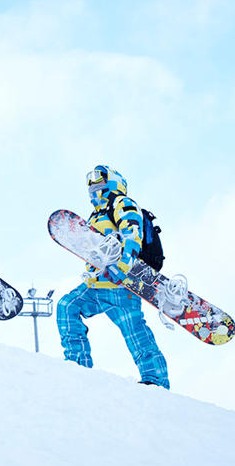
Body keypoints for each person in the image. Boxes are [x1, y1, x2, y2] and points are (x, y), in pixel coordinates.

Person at [56, 165, 170, 388]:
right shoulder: (96, 214)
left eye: (99, 185)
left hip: (121, 287)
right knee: (66, 306)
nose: (94, 190)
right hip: (96, 286)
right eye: (91, 187)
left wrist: (125, 265)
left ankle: (155, 380)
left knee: (135, 333)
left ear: (113, 184)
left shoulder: (122, 203)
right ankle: (78, 364)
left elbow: (132, 231)